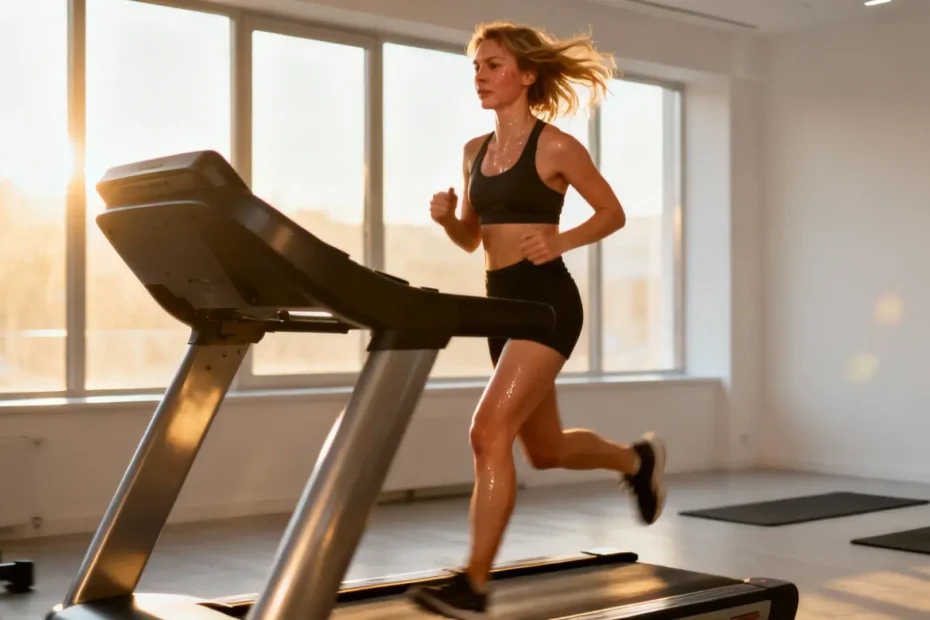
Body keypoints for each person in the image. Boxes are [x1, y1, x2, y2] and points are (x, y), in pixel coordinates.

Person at [406, 20, 667, 619]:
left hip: (547, 305)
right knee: (544, 450)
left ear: (526, 75)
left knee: (486, 433)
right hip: (501, 308)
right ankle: (637, 461)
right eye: (476, 67)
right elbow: (474, 240)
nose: (480, 76)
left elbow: (612, 213)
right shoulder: (473, 152)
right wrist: (448, 221)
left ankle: (474, 584)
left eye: (493, 65)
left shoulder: (556, 147)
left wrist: (561, 240)